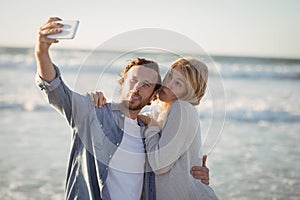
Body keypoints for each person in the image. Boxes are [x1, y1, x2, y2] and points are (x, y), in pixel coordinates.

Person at [35, 17, 210, 200]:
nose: (136, 88)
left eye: (146, 85)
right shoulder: (93, 112)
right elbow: (55, 89)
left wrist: (196, 174)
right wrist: (41, 51)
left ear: (153, 96)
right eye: (133, 80)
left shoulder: (150, 131)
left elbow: (168, 165)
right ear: (122, 82)